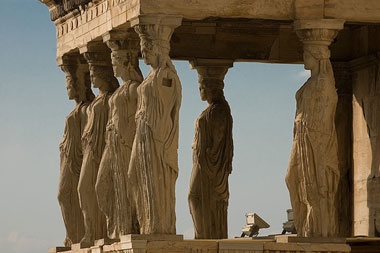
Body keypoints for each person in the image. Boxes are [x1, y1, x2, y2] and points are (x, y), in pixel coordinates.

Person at [128, 24, 182, 234]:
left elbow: (168, 108)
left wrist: (159, 135)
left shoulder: (166, 75)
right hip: (142, 132)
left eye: (147, 49)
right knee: (134, 174)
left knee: (153, 178)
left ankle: (157, 226)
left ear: (159, 49)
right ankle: (145, 223)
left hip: (154, 134)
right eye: (143, 48)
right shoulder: (152, 76)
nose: (143, 53)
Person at [286, 44, 340, 237]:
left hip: (315, 139)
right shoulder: (311, 83)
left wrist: (319, 147)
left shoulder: (324, 82)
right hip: (302, 136)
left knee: (315, 188)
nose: (303, 58)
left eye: (306, 54)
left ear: (316, 56)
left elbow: (326, 114)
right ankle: (306, 229)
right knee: (292, 179)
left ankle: (318, 232)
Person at [96, 45, 143, 238]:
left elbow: (142, 116)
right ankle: (116, 224)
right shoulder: (122, 89)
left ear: (126, 63)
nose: (113, 67)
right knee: (102, 184)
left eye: (116, 63)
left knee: (126, 185)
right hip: (112, 142)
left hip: (126, 142)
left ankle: (130, 226)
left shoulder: (135, 88)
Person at [78, 63, 119, 246]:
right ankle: (91, 232)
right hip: (90, 150)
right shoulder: (97, 100)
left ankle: (108, 229)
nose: (92, 77)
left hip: (101, 150)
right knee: (84, 190)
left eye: (95, 74)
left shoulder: (111, 98)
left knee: (94, 189)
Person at [188, 77, 233, 239]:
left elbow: (219, 137)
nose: (200, 91)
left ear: (210, 89)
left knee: (194, 197)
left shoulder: (218, 110)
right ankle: (202, 235)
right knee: (195, 197)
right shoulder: (213, 108)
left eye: (201, 88)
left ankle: (204, 236)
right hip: (201, 160)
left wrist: (207, 155)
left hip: (208, 163)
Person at [58, 65, 94, 247]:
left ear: (79, 86)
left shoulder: (87, 109)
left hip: (78, 158)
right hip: (67, 158)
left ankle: (82, 234)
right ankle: (73, 236)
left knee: (69, 194)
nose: (67, 90)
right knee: (64, 195)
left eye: (69, 86)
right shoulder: (76, 110)